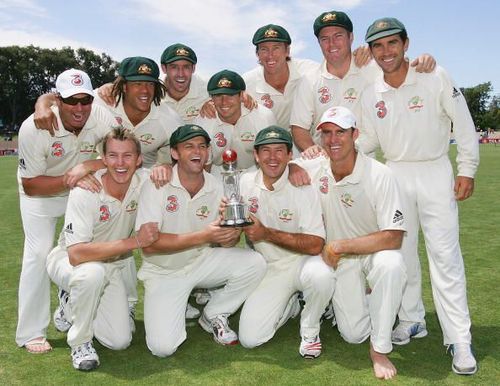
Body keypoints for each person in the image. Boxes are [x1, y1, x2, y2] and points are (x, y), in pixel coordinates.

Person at [358, 17, 479, 375]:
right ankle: (412, 318)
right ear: (372, 51)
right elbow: (368, 141)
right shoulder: (371, 91)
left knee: (445, 257)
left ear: (405, 44)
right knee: (402, 253)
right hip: (396, 174)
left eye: (392, 43)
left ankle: (459, 338)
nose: (386, 52)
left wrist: (467, 168)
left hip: (434, 171)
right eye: (378, 46)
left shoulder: (433, 75)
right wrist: (336, 153)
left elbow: (464, 123)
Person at [294, 106, 407, 379]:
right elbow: (277, 165)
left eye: (341, 133)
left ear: (355, 134)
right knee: (354, 335)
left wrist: (339, 246)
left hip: (370, 251)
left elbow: (394, 236)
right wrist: (293, 167)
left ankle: (379, 350)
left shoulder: (379, 174)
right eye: (327, 134)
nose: (333, 140)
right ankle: (372, 301)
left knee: (392, 264)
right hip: (339, 262)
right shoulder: (316, 166)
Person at [135, 124, 266, 357]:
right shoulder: (157, 184)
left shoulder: (217, 186)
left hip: (201, 261)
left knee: (255, 263)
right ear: (174, 153)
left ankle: (214, 313)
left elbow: (226, 244)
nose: (197, 151)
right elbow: (150, 244)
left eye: (202, 146)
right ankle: (179, 304)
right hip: (164, 271)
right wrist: (205, 235)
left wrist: (231, 231)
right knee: (162, 348)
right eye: (189, 146)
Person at [16, 69, 120, 353]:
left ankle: (71, 296)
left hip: (81, 189)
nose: (79, 108)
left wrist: (89, 166)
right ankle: (31, 333)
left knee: (89, 248)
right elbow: (31, 185)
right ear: (58, 101)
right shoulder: (34, 127)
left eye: (85, 100)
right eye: (72, 101)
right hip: (43, 190)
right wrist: (65, 179)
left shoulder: (100, 116)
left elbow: (124, 152)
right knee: (37, 254)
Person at [45, 128, 158, 371]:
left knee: (120, 341)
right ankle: (80, 343)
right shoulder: (85, 191)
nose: (120, 163)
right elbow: (77, 255)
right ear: (103, 159)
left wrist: (166, 168)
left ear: (139, 160)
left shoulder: (144, 181)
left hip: (111, 263)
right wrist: (135, 242)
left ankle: (73, 304)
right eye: (113, 156)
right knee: (91, 274)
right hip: (68, 261)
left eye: (127, 156)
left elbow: (172, 172)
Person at [237, 126, 335, 359]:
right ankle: (290, 305)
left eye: (280, 150)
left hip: (304, 262)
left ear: (290, 155)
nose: (273, 157)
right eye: (266, 151)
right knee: (250, 339)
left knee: (322, 276)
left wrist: (266, 234)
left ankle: (310, 330)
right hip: (271, 268)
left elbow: (315, 244)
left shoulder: (303, 184)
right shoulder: (244, 183)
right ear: (256, 156)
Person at [290, 10, 436, 152]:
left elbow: (398, 65)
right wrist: (313, 150)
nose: (332, 43)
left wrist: (425, 59)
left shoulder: (372, 69)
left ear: (351, 37)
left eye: (338, 36)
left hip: (364, 161)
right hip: (325, 163)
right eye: (324, 39)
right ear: (319, 43)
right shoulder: (309, 80)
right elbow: (299, 127)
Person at [194, 69, 276, 177]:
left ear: (242, 95)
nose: (224, 102)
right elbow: (202, 166)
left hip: (256, 171)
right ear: (211, 98)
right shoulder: (203, 122)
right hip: (218, 172)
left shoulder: (263, 116)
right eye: (218, 96)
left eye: (230, 95)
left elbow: (273, 156)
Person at [160, 43, 210, 122]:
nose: (181, 74)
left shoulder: (209, 91)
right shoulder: (152, 94)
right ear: (164, 68)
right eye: (174, 67)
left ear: (193, 68)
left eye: (186, 67)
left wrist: (215, 105)